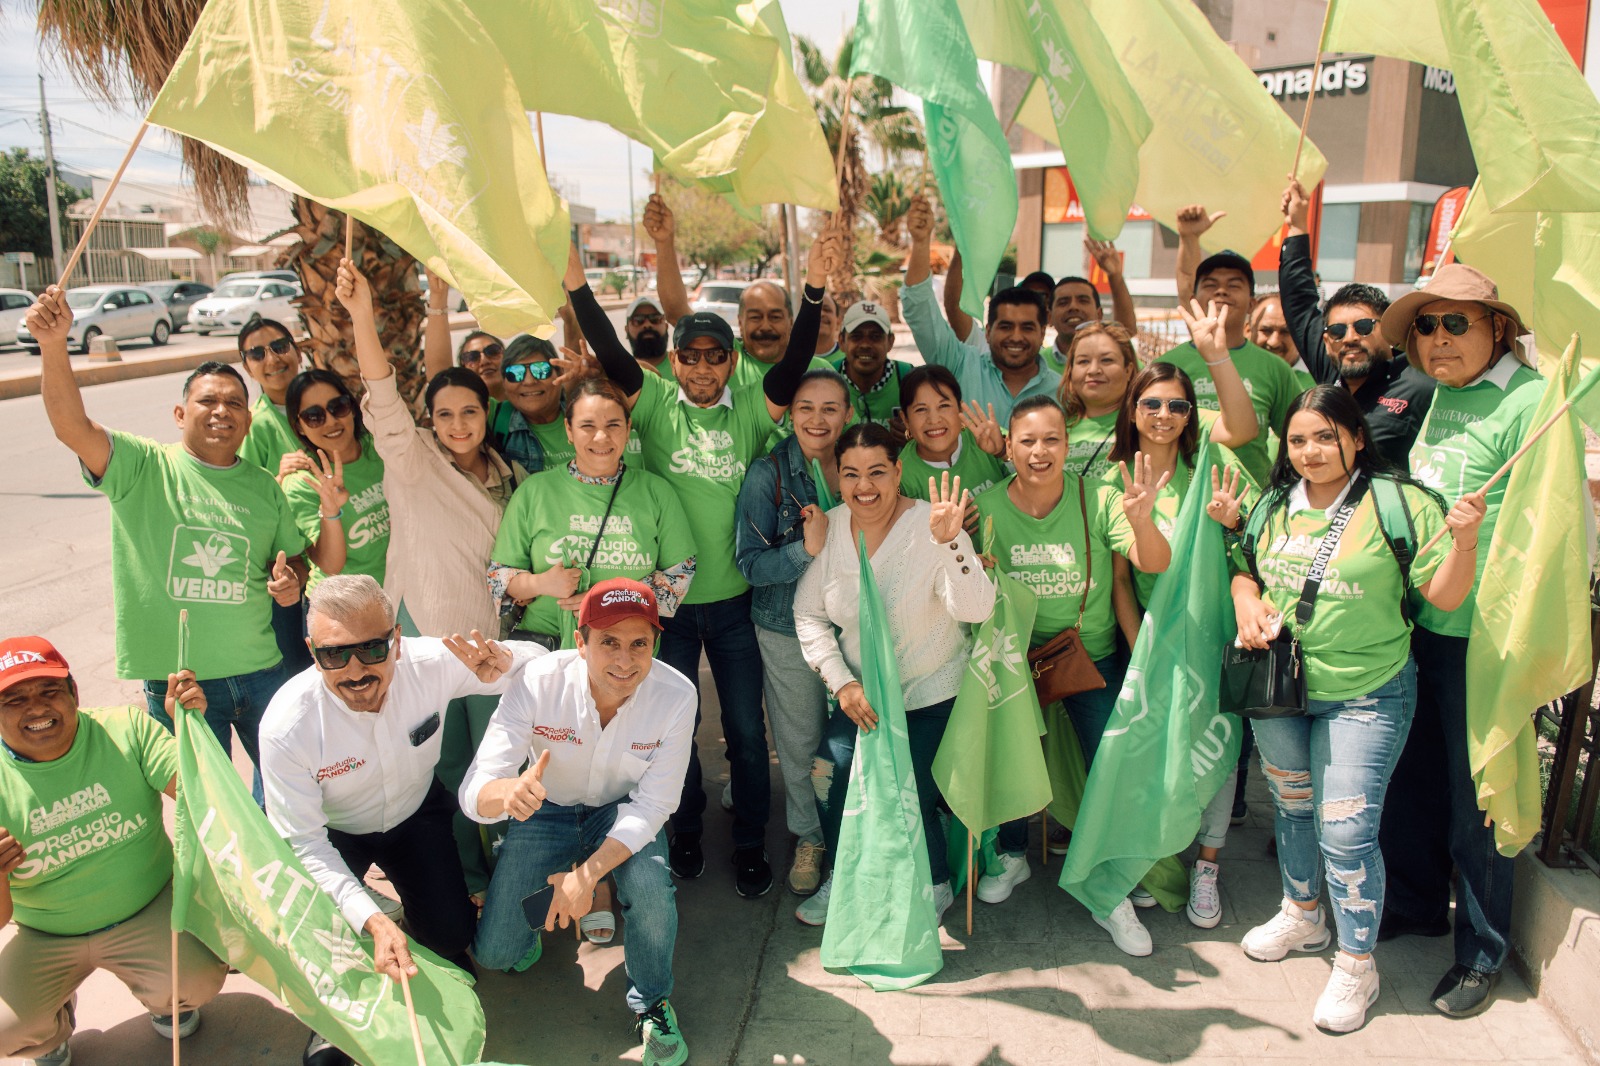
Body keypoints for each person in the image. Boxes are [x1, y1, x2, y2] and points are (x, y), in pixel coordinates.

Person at [565, 229, 839, 897]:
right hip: (667, 612)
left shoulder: (749, 407)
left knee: (747, 733)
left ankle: (750, 843)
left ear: (731, 360)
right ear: (676, 360)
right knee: (675, 731)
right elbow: (607, 347)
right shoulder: (654, 401)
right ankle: (683, 830)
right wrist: (576, 285)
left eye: (718, 356)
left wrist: (813, 293)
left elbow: (794, 361)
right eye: (691, 356)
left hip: (737, 604)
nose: (704, 368)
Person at [1212, 385, 1484, 1033]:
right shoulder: (1274, 502)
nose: (1311, 451)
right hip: (1279, 687)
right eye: (1299, 439)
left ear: (1357, 438)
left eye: (1326, 436)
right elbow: (1245, 565)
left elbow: (1442, 597)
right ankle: (1303, 913)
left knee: (1347, 831)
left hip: (1368, 693)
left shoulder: (1402, 503)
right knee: (1293, 806)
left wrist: (1466, 543)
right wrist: (1246, 603)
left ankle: (1357, 962)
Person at [30, 288, 306, 806]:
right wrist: (52, 345)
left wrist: (290, 586)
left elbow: (290, 569)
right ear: (180, 414)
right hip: (183, 686)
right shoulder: (141, 467)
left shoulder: (265, 486)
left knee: (289, 801)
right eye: (208, 401)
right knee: (206, 813)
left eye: (234, 403)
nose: (221, 411)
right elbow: (72, 427)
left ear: (248, 420)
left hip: (263, 672)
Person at [259, 575, 542, 1066]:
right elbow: (304, 844)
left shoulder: (431, 661)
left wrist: (509, 661)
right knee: (329, 944)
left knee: (453, 937)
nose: (353, 670)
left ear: (396, 639)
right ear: (311, 651)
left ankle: (409, 922)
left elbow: (539, 665)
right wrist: (367, 920)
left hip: (415, 816)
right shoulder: (287, 724)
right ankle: (342, 1004)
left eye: (371, 649)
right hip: (334, 834)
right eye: (333, 655)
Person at [1376, 264, 1545, 1019]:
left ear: (1496, 329)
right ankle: (1413, 903)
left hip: (1484, 634)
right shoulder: (1443, 391)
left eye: (1455, 323)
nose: (1437, 338)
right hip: (1422, 621)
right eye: (1425, 325)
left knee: (1476, 797)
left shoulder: (1533, 401)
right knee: (1411, 779)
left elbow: (1548, 527)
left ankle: (1481, 953)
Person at [463, 579, 697, 1066]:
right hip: (545, 807)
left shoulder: (677, 695)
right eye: (608, 642)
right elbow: (478, 784)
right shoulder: (536, 681)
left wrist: (587, 876)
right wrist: (505, 792)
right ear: (580, 641)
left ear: (656, 644)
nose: (624, 660)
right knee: (497, 955)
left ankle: (651, 1002)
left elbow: (655, 806)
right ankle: (540, 912)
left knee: (652, 887)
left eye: (639, 644)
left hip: (621, 809)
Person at [971, 396, 1170, 953]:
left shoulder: (1101, 497)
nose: (1040, 452)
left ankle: (1111, 886)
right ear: (1008, 447)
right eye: (1028, 441)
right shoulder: (985, 506)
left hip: (1092, 655)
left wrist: (1143, 521)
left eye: (1052, 439)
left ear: (1068, 445)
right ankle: (1013, 855)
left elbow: (1154, 563)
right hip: (1016, 659)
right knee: (1013, 759)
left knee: (1110, 766)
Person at [792, 424, 997, 927]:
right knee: (829, 774)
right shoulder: (833, 529)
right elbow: (808, 614)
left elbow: (976, 609)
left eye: (877, 472)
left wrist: (954, 545)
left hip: (931, 690)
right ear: (836, 479)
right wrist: (842, 682)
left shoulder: (934, 524)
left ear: (898, 471)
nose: (865, 486)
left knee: (912, 790)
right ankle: (842, 875)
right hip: (861, 694)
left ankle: (934, 883)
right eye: (852, 474)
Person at [1105, 300, 1259, 931]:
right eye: (1151, 404)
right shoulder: (1112, 481)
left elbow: (1244, 426)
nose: (1164, 415)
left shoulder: (1212, 465)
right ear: (1131, 411)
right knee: (1156, 755)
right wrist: (1140, 647)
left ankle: (1208, 868)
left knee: (1220, 751)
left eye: (1177, 404)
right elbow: (1130, 575)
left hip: (1218, 639)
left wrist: (1216, 354)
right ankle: (1153, 857)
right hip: (1154, 646)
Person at [0, 639, 228, 1066]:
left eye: (49, 691)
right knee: (5, 1029)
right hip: (46, 934)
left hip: (148, 906)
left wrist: (191, 732)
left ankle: (168, 1004)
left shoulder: (125, 727)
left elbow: (205, 801)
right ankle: (49, 1032)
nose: (35, 708)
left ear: (74, 695)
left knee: (195, 980)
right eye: (13, 699)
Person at [333, 260, 524, 639]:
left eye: (469, 412)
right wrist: (361, 315)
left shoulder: (511, 474)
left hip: (490, 639)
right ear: (430, 419)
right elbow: (384, 395)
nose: (458, 425)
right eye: (445, 415)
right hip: (424, 634)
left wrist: (439, 298)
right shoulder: (413, 457)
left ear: (487, 411)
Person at [734, 369, 850, 899]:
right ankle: (810, 838)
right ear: (789, 413)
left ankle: (855, 835)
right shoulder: (768, 474)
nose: (817, 419)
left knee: (853, 738)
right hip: (785, 627)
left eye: (830, 408)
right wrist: (808, 549)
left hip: (855, 625)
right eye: (805, 407)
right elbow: (751, 566)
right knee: (800, 741)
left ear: (848, 414)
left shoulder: (866, 463)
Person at [489, 378, 697, 651]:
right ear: (569, 430)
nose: (601, 437)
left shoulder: (656, 492)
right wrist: (541, 583)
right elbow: (499, 578)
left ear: (628, 428)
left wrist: (610, 600)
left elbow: (680, 575)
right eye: (587, 426)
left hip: (628, 654)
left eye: (613, 425)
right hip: (546, 651)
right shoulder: (534, 491)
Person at [1278, 179, 1435, 467]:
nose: (1349, 338)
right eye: (1338, 330)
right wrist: (1297, 228)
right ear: (1326, 341)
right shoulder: (1333, 370)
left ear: (1387, 332)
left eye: (1363, 327)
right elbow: (1298, 303)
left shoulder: (1423, 384)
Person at [1163, 208, 1298, 485]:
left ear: (1251, 303)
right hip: (1179, 502)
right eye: (1211, 284)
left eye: (1234, 285)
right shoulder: (1167, 366)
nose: (1221, 291)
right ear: (1194, 298)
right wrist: (1188, 238)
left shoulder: (1275, 368)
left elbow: (1297, 436)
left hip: (1250, 504)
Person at [644, 194, 831, 391]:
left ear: (791, 321)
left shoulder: (819, 372)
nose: (765, 326)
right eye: (755, 317)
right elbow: (675, 312)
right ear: (740, 323)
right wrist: (664, 242)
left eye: (775, 317)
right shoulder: (723, 359)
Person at [903, 194, 1061, 422]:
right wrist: (920, 243)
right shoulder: (961, 365)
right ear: (987, 331)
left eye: (1027, 327)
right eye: (1005, 326)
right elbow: (919, 309)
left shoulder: (1063, 392)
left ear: (1043, 331)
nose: (1016, 337)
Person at [234, 318, 318, 676]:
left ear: (297, 350)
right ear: (246, 366)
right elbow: (239, 495)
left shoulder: (327, 400)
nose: (272, 359)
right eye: (257, 353)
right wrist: (278, 477)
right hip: (293, 569)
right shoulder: (253, 425)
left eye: (280, 346)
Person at [945, 240, 1139, 372]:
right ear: (1050, 316)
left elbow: (1126, 331)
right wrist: (963, 245)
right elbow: (955, 310)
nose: (1073, 307)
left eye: (1082, 300)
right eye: (1063, 302)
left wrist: (1115, 277)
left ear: (1099, 312)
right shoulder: (1032, 364)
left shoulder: (1117, 358)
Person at [283, 369, 387, 589]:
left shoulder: (381, 448)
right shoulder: (302, 483)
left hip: (405, 594)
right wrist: (330, 512)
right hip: (345, 607)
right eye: (314, 416)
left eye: (338, 407)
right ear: (299, 427)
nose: (330, 421)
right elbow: (331, 565)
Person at [895, 365, 1007, 519]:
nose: (934, 420)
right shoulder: (902, 476)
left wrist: (1002, 452)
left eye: (944, 406)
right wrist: (949, 538)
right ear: (905, 419)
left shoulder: (987, 436)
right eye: (921, 409)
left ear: (960, 409)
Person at [1059, 322, 1140, 481]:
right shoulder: (1055, 427)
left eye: (1107, 360)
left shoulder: (1145, 424)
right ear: (1071, 371)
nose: (1093, 370)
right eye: (1083, 361)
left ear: (1128, 370)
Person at [488, 334, 577, 473]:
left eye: (540, 370)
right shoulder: (496, 416)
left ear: (559, 373)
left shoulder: (584, 415)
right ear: (504, 382)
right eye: (515, 373)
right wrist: (440, 312)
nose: (529, 381)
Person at [832, 300, 916, 428]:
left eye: (875, 336)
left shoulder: (908, 378)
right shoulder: (829, 377)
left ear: (890, 342)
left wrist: (914, 437)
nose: (865, 344)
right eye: (856, 336)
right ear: (842, 341)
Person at [1250, 293, 1313, 390]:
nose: (1274, 342)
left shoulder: (1320, 380)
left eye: (1285, 332)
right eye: (1266, 330)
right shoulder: (1230, 372)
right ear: (1249, 329)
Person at [625, 295, 672, 374]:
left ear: (666, 326)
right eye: (638, 320)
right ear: (627, 330)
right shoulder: (619, 374)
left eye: (655, 319)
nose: (647, 325)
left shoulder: (683, 368)